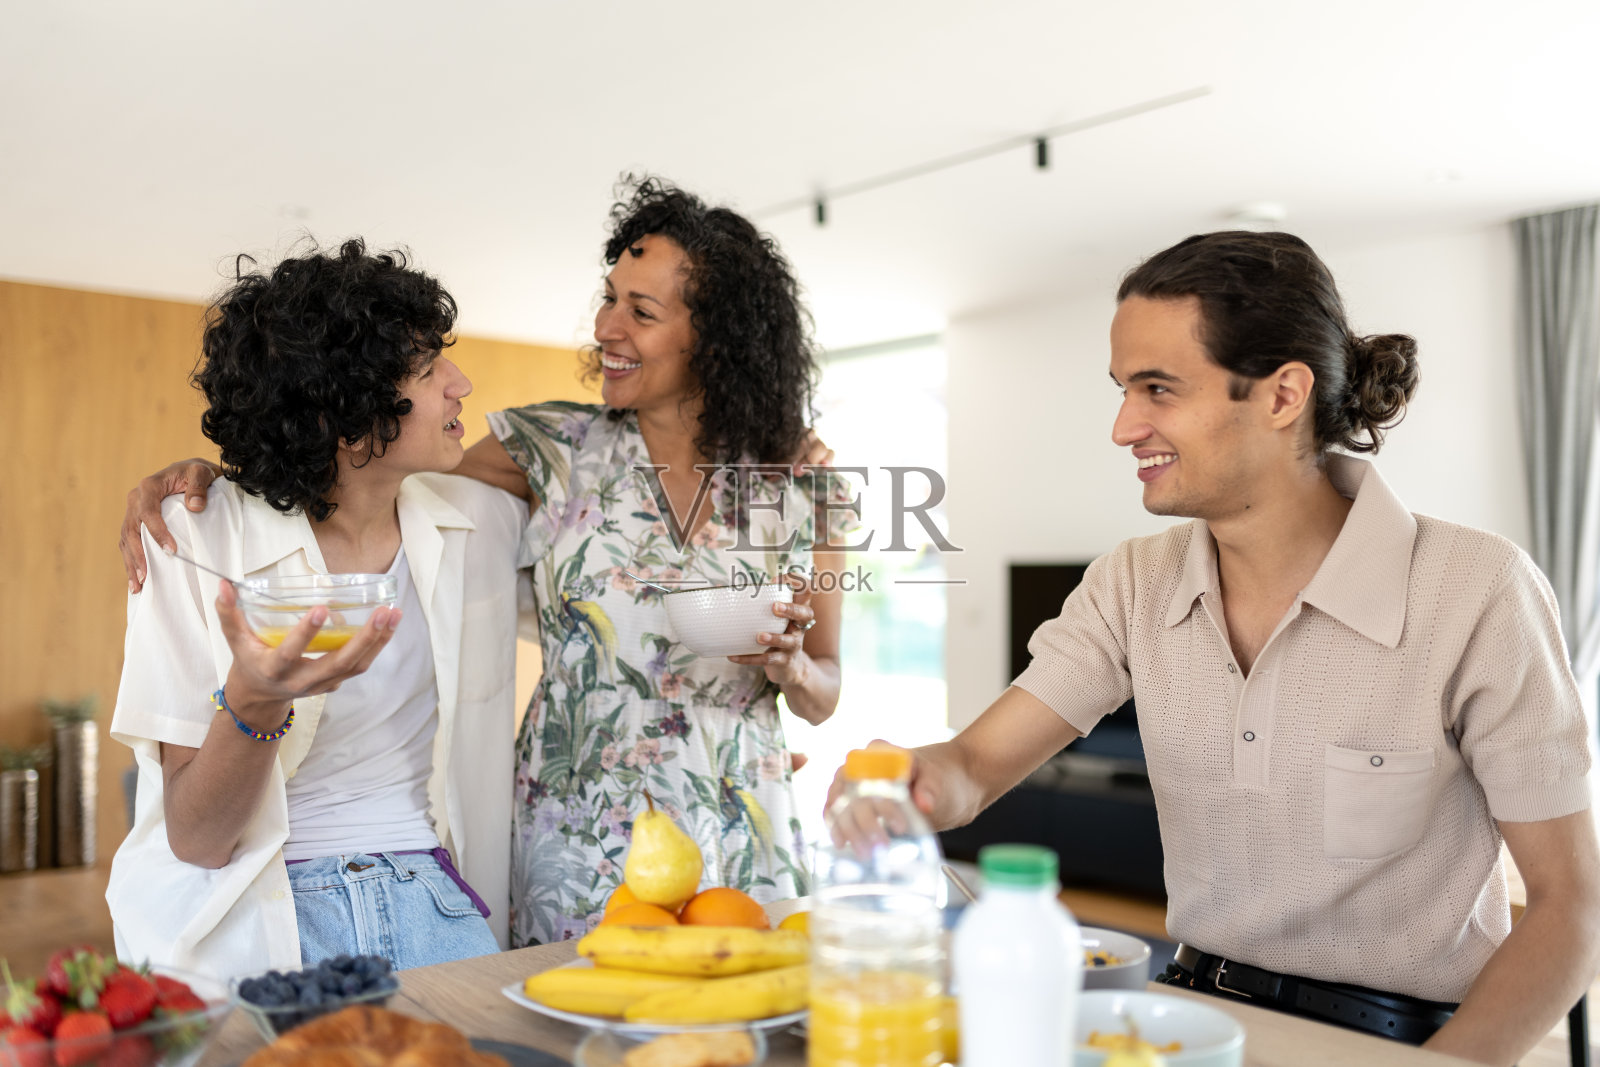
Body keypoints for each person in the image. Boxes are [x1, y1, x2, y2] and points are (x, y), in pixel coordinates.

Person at [829, 231, 1600, 1065]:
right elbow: (974, 766)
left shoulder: (1475, 588)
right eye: (1124, 389)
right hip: (1183, 1020)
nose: (1126, 426)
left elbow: (1573, 904)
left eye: (1158, 388)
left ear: (1282, 395)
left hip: (1401, 1041)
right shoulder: (1132, 582)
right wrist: (916, 782)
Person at [118, 177, 848, 948]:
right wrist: (214, 474)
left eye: (641, 310)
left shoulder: (804, 487)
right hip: (579, 827)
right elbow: (352, 471)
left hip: (737, 805)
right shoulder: (552, 454)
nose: (605, 326)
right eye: (609, 297)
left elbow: (826, 686)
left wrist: (796, 667)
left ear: (719, 340)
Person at [108, 240, 526, 980]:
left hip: (438, 904)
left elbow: (605, 459)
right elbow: (198, 837)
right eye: (429, 370)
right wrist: (257, 697)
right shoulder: (191, 535)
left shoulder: (479, 520)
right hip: (257, 919)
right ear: (346, 411)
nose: (461, 384)